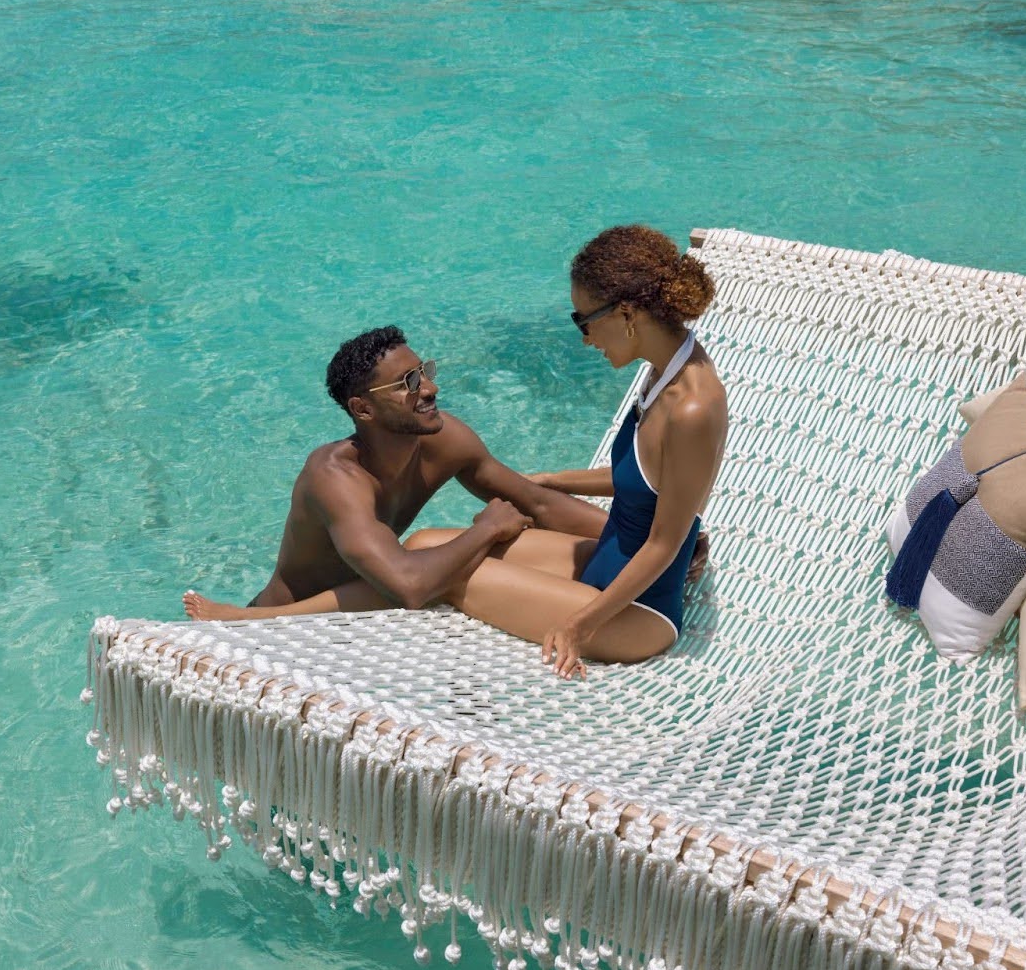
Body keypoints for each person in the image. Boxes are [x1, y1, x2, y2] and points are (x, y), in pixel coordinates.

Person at [186, 225, 726, 680]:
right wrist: (548, 485)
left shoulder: (693, 406)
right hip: (613, 562)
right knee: (425, 544)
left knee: (446, 571)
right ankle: (261, 619)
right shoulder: (661, 375)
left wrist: (580, 624)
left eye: (583, 319)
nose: (584, 337)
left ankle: (255, 620)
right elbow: (632, 485)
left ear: (627, 312)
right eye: (406, 382)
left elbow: (659, 542)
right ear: (363, 410)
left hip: (636, 608)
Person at [182, 325, 611, 621]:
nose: (429, 388)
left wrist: (642, 543)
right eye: (407, 382)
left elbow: (537, 502)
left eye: (424, 371)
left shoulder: (445, 438)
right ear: (363, 409)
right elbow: (408, 587)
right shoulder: (334, 477)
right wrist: (486, 528)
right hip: (286, 631)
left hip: (371, 612)